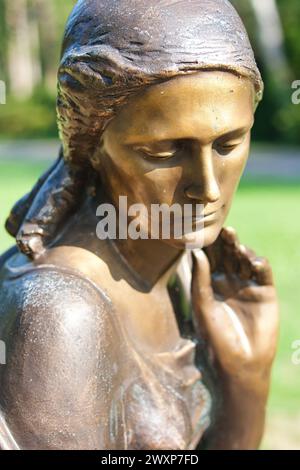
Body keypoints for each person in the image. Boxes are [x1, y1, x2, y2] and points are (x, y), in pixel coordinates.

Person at [0, 0, 279, 450]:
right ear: (91, 142)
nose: (207, 188)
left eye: (229, 143)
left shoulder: (185, 268)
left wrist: (247, 379)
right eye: (164, 152)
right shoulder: (63, 315)